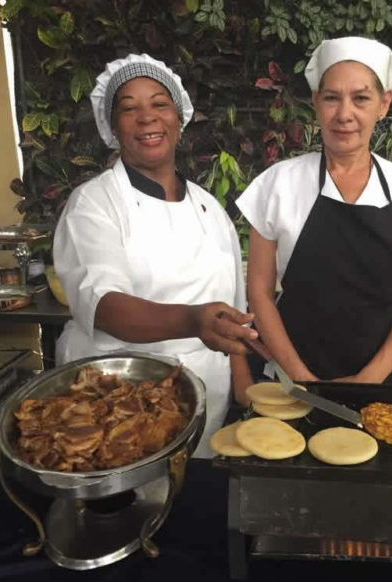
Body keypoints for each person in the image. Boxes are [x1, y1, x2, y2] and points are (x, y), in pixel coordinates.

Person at [54, 54, 256, 457]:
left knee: (196, 503)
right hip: (116, 402)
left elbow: (231, 305)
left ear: (178, 120)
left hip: (205, 399)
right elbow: (103, 304)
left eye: (160, 104)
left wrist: (245, 391)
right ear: (113, 128)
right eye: (129, 108)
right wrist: (192, 319)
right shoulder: (94, 203)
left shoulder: (208, 207)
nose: (147, 118)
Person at [236, 37, 392, 384]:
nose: (344, 114)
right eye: (332, 98)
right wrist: (299, 376)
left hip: (386, 385)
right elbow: (259, 294)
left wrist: (369, 379)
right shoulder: (278, 185)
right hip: (293, 384)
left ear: (384, 104)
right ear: (315, 102)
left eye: (361, 98)